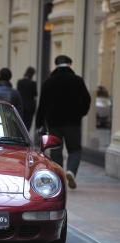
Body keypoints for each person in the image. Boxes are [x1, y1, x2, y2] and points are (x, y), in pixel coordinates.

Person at [36, 55, 91, 189]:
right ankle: (71, 171)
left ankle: (59, 178)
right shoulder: (78, 80)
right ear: (70, 65)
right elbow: (87, 100)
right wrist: (80, 114)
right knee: (75, 150)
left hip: (54, 122)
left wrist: (40, 123)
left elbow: (42, 104)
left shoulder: (48, 82)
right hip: (73, 122)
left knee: (56, 150)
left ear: (56, 65)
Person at [17, 66, 37, 131]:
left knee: (21, 125)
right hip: (30, 108)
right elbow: (35, 94)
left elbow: (18, 93)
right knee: (27, 126)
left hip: (21, 106)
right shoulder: (33, 83)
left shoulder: (20, 82)